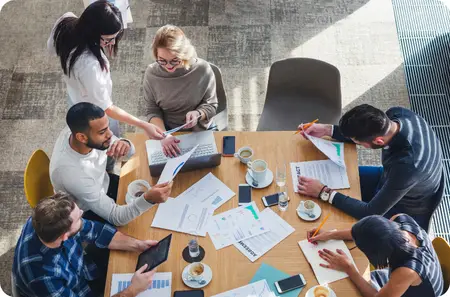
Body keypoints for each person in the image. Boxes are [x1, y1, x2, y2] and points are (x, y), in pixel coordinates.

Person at [296, 105, 443, 229]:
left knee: (340, 221)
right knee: (336, 177)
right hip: (389, 177)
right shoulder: (398, 114)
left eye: (358, 142)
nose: (356, 143)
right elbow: (365, 132)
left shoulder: (408, 165)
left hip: (405, 206)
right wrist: (328, 130)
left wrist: (323, 192)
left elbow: (370, 212)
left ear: (379, 141)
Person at [47, 0, 164, 141]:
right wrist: (144, 125)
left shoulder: (65, 22)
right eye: (108, 39)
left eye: (115, 37)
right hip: (93, 114)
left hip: (75, 97)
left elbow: (51, 48)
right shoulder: (90, 67)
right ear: (93, 32)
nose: (113, 43)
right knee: (108, 144)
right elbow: (107, 107)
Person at [12, 193, 158, 297]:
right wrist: (133, 290)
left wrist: (138, 245)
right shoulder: (43, 276)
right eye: (78, 218)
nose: (82, 212)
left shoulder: (46, 220)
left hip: (83, 272)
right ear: (65, 236)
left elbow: (97, 231)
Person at [50, 102, 172, 226]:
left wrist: (126, 144)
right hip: (87, 209)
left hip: (103, 182)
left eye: (108, 127)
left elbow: (129, 153)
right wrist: (148, 199)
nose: (110, 134)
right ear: (82, 137)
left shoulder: (81, 133)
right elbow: (116, 217)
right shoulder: (72, 174)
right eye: (102, 132)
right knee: (144, 223)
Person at [307, 214, 444, 297]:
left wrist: (350, 268)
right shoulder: (400, 219)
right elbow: (366, 232)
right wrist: (330, 235)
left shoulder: (406, 271)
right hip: (418, 275)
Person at [143, 25, 218, 157]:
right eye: (162, 61)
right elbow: (152, 110)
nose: (168, 66)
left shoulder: (202, 70)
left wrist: (198, 114)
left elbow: (211, 105)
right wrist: (164, 135)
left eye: (174, 61)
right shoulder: (151, 74)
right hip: (166, 131)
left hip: (199, 130)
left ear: (184, 54)